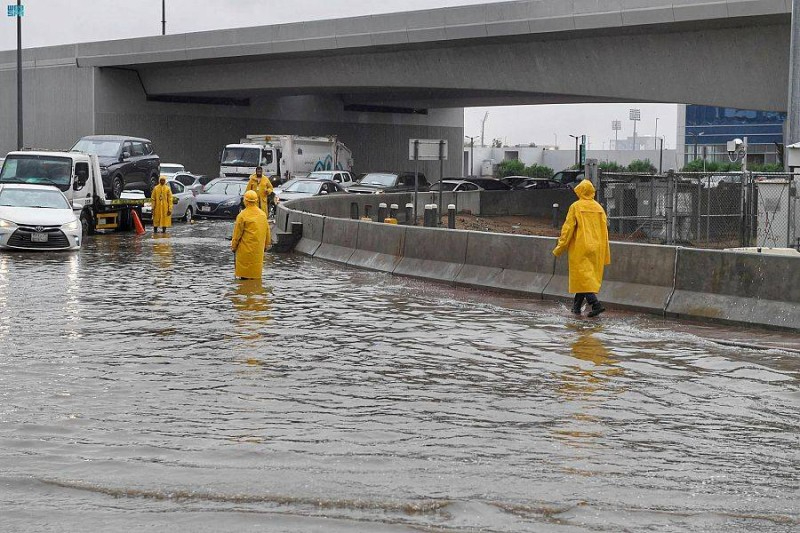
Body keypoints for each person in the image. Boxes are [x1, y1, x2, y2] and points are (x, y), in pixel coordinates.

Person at [552, 179, 611, 317]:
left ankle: (595, 304)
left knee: (582, 277)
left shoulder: (576, 206)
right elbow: (605, 231)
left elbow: (567, 230)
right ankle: (576, 308)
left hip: (581, 246)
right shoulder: (599, 208)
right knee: (585, 277)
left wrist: (559, 248)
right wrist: (605, 252)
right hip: (597, 247)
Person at [231, 190, 270, 279]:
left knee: (244, 277)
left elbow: (237, 234)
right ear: (256, 201)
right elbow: (267, 232)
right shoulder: (262, 215)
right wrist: (266, 245)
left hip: (244, 251)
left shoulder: (242, 215)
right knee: (255, 276)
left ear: (245, 201)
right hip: (258, 252)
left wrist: (233, 246)